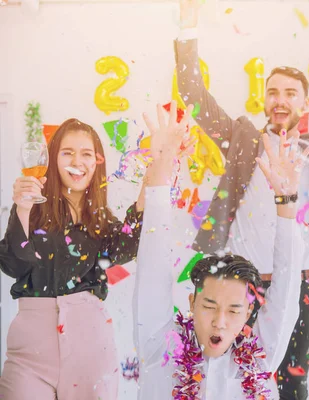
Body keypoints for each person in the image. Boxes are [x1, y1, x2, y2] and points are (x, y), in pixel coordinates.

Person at [175, 2, 309, 398]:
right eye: (273, 93)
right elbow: (193, 94)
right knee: (238, 382)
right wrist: (188, 26)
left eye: (291, 93)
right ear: (264, 101)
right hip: (240, 290)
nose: (280, 100)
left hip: (301, 285)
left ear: (305, 105)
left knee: (292, 385)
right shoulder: (242, 140)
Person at [0, 101, 191, 400]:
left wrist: (158, 164)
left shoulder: (101, 223)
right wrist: (22, 208)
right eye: (67, 153)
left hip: (90, 345)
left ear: (97, 163)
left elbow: (130, 243)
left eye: (86, 153)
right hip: (30, 352)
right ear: (53, 160)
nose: (78, 161)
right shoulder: (32, 212)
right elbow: (13, 265)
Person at [133, 120, 308, 399]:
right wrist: (161, 175)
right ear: (192, 303)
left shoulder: (258, 362)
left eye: (234, 310)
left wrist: (287, 201)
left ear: (249, 313)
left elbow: (286, 296)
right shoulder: (159, 352)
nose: (220, 321)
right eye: (210, 306)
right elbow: (152, 270)